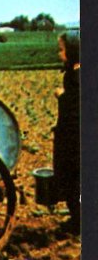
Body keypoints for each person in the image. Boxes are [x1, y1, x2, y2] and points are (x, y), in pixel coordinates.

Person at [54, 30, 80, 234]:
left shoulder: (78, 75)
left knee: (72, 177)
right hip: (70, 132)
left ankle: (78, 221)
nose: (59, 54)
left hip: (73, 136)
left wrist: (63, 96)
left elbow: (77, 104)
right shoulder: (73, 72)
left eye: (61, 50)